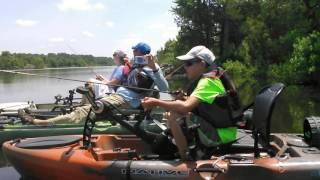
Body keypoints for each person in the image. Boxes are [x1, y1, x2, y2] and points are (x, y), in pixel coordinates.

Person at [19, 43, 169, 126]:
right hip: (118, 96)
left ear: (143, 53)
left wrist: (154, 67)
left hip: (127, 100)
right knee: (86, 108)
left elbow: (164, 89)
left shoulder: (151, 68)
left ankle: (41, 123)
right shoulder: (134, 66)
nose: (133, 53)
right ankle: (61, 118)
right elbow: (125, 82)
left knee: (87, 110)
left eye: (135, 51)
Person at [142, 45, 239, 160]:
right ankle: (186, 149)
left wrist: (156, 102)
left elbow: (185, 107)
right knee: (174, 112)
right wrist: (180, 98)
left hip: (220, 135)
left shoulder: (208, 81)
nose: (185, 67)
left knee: (174, 115)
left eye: (188, 63)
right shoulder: (214, 76)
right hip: (224, 131)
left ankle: (187, 158)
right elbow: (199, 105)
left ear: (202, 63)